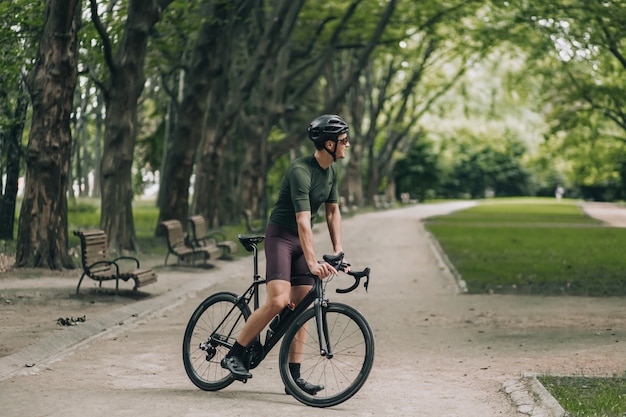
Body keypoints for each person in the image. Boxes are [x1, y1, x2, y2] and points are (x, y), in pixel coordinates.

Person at [221, 114, 351, 395]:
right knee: (278, 301)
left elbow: (332, 212)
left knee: (303, 303)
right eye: (343, 140)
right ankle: (234, 353)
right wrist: (314, 262)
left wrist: (338, 249)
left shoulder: (331, 172)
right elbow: (303, 222)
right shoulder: (300, 171)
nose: (347, 145)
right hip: (281, 237)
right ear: (329, 144)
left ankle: (294, 379)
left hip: (299, 242)